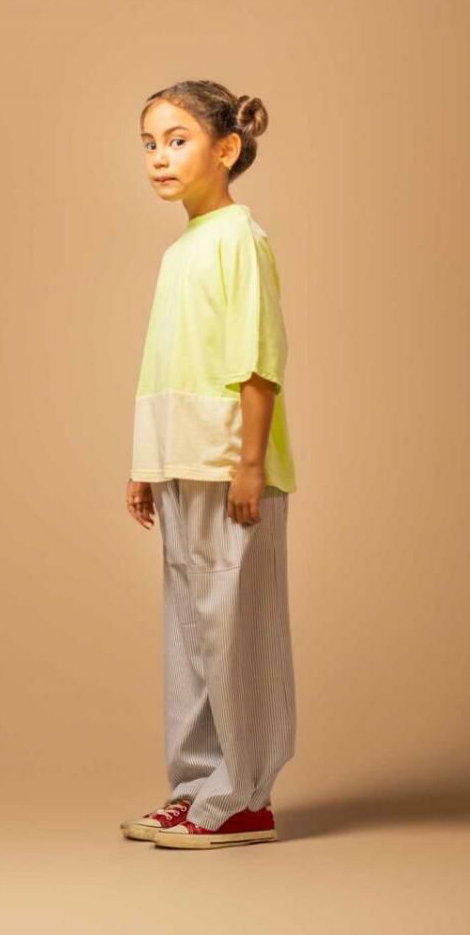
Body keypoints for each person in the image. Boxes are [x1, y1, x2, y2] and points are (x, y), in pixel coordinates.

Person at [120, 80, 298, 850]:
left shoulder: (240, 238)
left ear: (226, 148)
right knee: (191, 632)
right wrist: (145, 462)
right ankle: (195, 787)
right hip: (179, 460)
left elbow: (258, 360)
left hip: (230, 465)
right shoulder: (180, 250)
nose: (160, 157)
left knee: (234, 631)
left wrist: (250, 463)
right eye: (149, 144)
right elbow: (165, 364)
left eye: (177, 140)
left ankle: (245, 795)